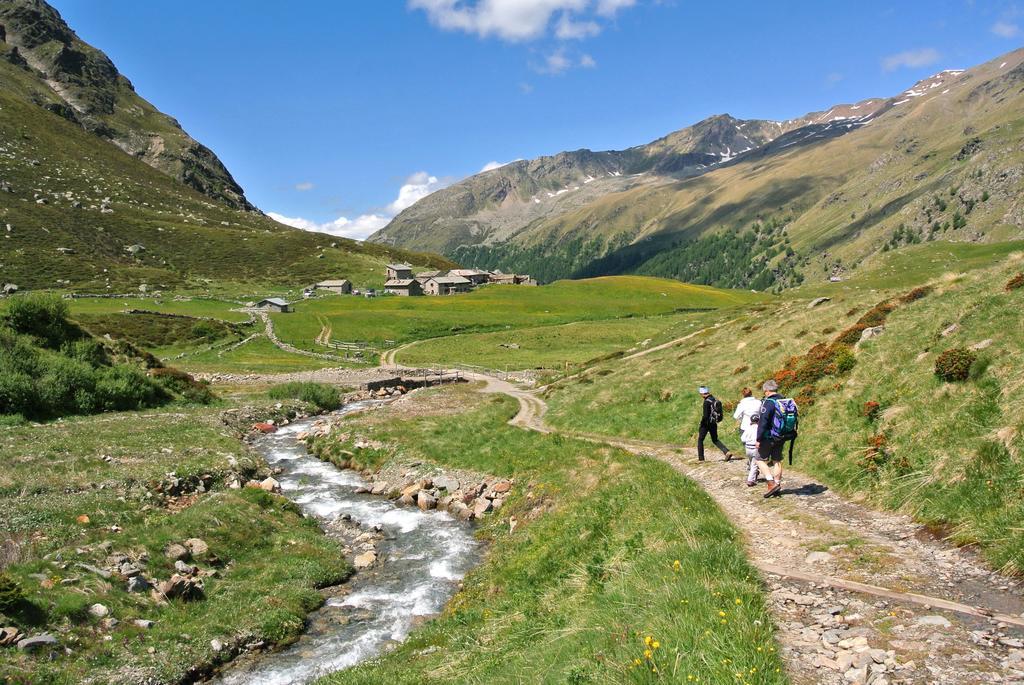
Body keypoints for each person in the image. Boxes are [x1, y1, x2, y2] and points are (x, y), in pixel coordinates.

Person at [756, 379, 787, 497]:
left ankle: (771, 483)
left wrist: (758, 439)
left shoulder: (768, 402)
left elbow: (763, 422)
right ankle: (778, 484)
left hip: (769, 437)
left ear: (767, 391)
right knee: (777, 460)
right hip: (781, 435)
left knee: (759, 459)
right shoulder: (783, 400)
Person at [734, 388, 771, 487]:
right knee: (757, 449)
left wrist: (743, 417)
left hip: (745, 427)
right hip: (758, 426)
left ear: (743, 395)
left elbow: (736, 416)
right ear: (751, 393)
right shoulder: (758, 402)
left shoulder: (742, 404)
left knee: (749, 449)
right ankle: (754, 468)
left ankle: (752, 469)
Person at [697, 386, 734, 462]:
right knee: (715, 439)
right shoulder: (714, 399)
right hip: (714, 423)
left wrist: (702, 424)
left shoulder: (706, 402)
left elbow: (705, 416)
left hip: (706, 424)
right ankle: (727, 451)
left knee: (700, 440)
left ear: (702, 393)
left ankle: (701, 459)